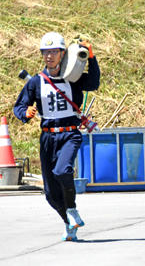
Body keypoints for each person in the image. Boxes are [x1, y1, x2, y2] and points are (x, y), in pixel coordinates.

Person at [14, 32, 100, 241]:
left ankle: (71, 209)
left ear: (63, 54)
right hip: (47, 138)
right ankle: (68, 221)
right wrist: (25, 113)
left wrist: (91, 57)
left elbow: (94, 82)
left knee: (63, 170)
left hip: (70, 134)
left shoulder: (74, 79)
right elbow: (20, 105)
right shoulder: (36, 82)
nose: (49, 56)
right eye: (46, 52)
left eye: (54, 52)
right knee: (51, 194)